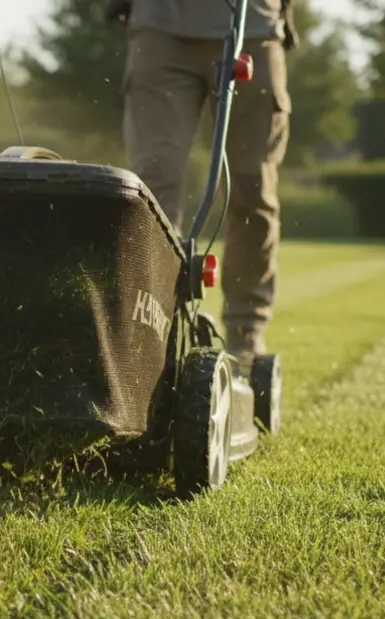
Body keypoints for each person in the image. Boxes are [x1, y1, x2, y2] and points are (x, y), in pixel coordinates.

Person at [107, 0, 297, 365]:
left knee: (252, 187)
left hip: (252, 26)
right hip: (161, 29)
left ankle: (245, 334)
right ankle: (151, 330)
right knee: (153, 187)